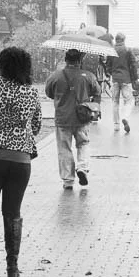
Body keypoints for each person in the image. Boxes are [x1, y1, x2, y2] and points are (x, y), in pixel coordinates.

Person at [0, 46, 42, 277]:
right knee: (13, 212)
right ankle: (12, 266)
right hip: (20, 160)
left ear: (1, 65)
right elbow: (35, 127)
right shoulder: (31, 93)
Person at [45, 48, 102, 190]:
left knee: (64, 148)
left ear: (66, 60)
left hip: (63, 117)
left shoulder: (56, 76)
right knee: (83, 143)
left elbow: (49, 93)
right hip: (82, 117)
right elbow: (97, 92)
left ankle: (68, 180)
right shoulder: (88, 76)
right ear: (79, 60)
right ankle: (82, 167)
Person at [106, 32, 137, 133]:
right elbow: (133, 65)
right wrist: (134, 78)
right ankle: (125, 117)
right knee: (129, 100)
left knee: (115, 101)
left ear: (116, 40)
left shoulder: (111, 51)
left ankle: (116, 125)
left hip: (115, 78)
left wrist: (112, 73)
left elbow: (108, 66)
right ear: (123, 40)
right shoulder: (128, 50)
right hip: (125, 79)